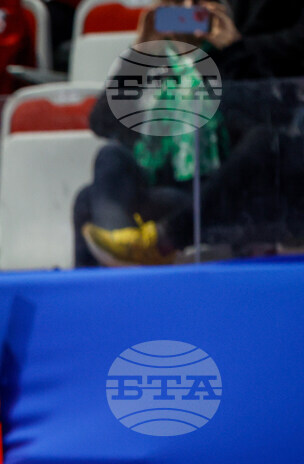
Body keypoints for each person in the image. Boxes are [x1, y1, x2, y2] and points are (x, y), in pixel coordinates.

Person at [75, 0, 302, 266]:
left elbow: (268, 121)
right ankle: (124, 262)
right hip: (157, 185)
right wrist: (140, 53)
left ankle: (124, 282)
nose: (186, 11)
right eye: (176, 6)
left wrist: (232, 49)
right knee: (110, 156)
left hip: (205, 197)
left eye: (197, 4)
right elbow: (102, 121)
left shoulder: (232, 60)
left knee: (88, 199)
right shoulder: (152, 62)